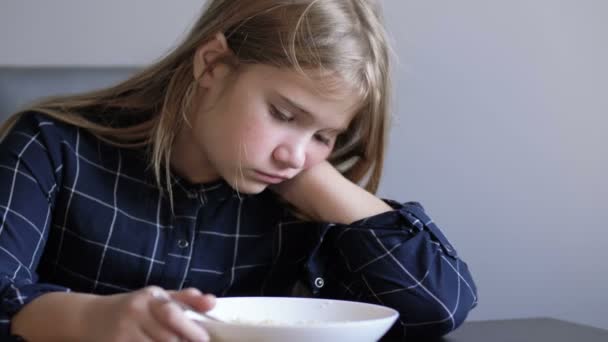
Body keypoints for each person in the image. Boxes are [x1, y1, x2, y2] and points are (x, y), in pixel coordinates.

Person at [0, 0, 478, 340]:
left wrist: (320, 180)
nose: (294, 153)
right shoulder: (51, 147)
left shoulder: (296, 195)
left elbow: (436, 306)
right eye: (284, 115)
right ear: (212, 65)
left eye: (324, 135)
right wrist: (87, 322)